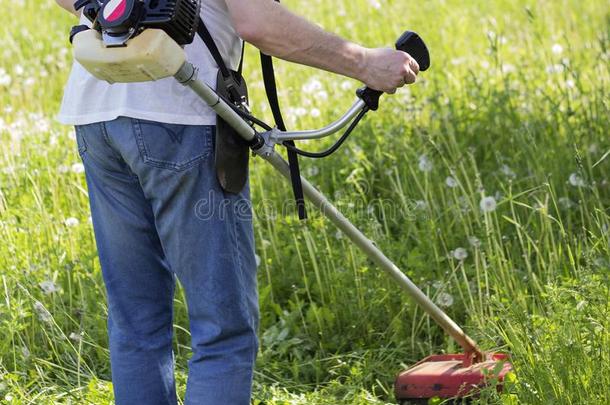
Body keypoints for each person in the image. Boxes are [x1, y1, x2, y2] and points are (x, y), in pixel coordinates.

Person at [54, 0, 419, 404]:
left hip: (96, 115)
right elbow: (257, 21)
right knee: (222, 330)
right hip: (179, 116)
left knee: (136, 321)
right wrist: (367, 63)